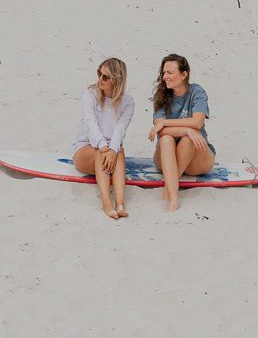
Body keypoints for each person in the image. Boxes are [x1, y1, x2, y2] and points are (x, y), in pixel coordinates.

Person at [148, 53, 215, 211]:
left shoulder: (196, 92)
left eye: (170, 72)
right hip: (166, 157)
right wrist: (186, 129)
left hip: (196, 158)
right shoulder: (161, 95)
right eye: (164, 73)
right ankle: (174, 198)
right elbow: (161, 132)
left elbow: (197, 122)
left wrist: (165, 122)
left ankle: (169, 187)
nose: (165, 77)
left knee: (190, 138)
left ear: (184, 75)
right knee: (166, 139)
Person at [72, 58, 134, 219]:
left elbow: (120, 128)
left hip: (110, 149)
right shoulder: (90, 94)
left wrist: (112, 149)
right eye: (99, 74)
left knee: (119, 151)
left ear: (116, 79)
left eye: (105, 77)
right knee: (101, 152)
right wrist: (105, 148)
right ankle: (107, 204)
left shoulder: (128, 102)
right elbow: (90, 124)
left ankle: (120, 205)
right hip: (86, 149)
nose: (100, 79)